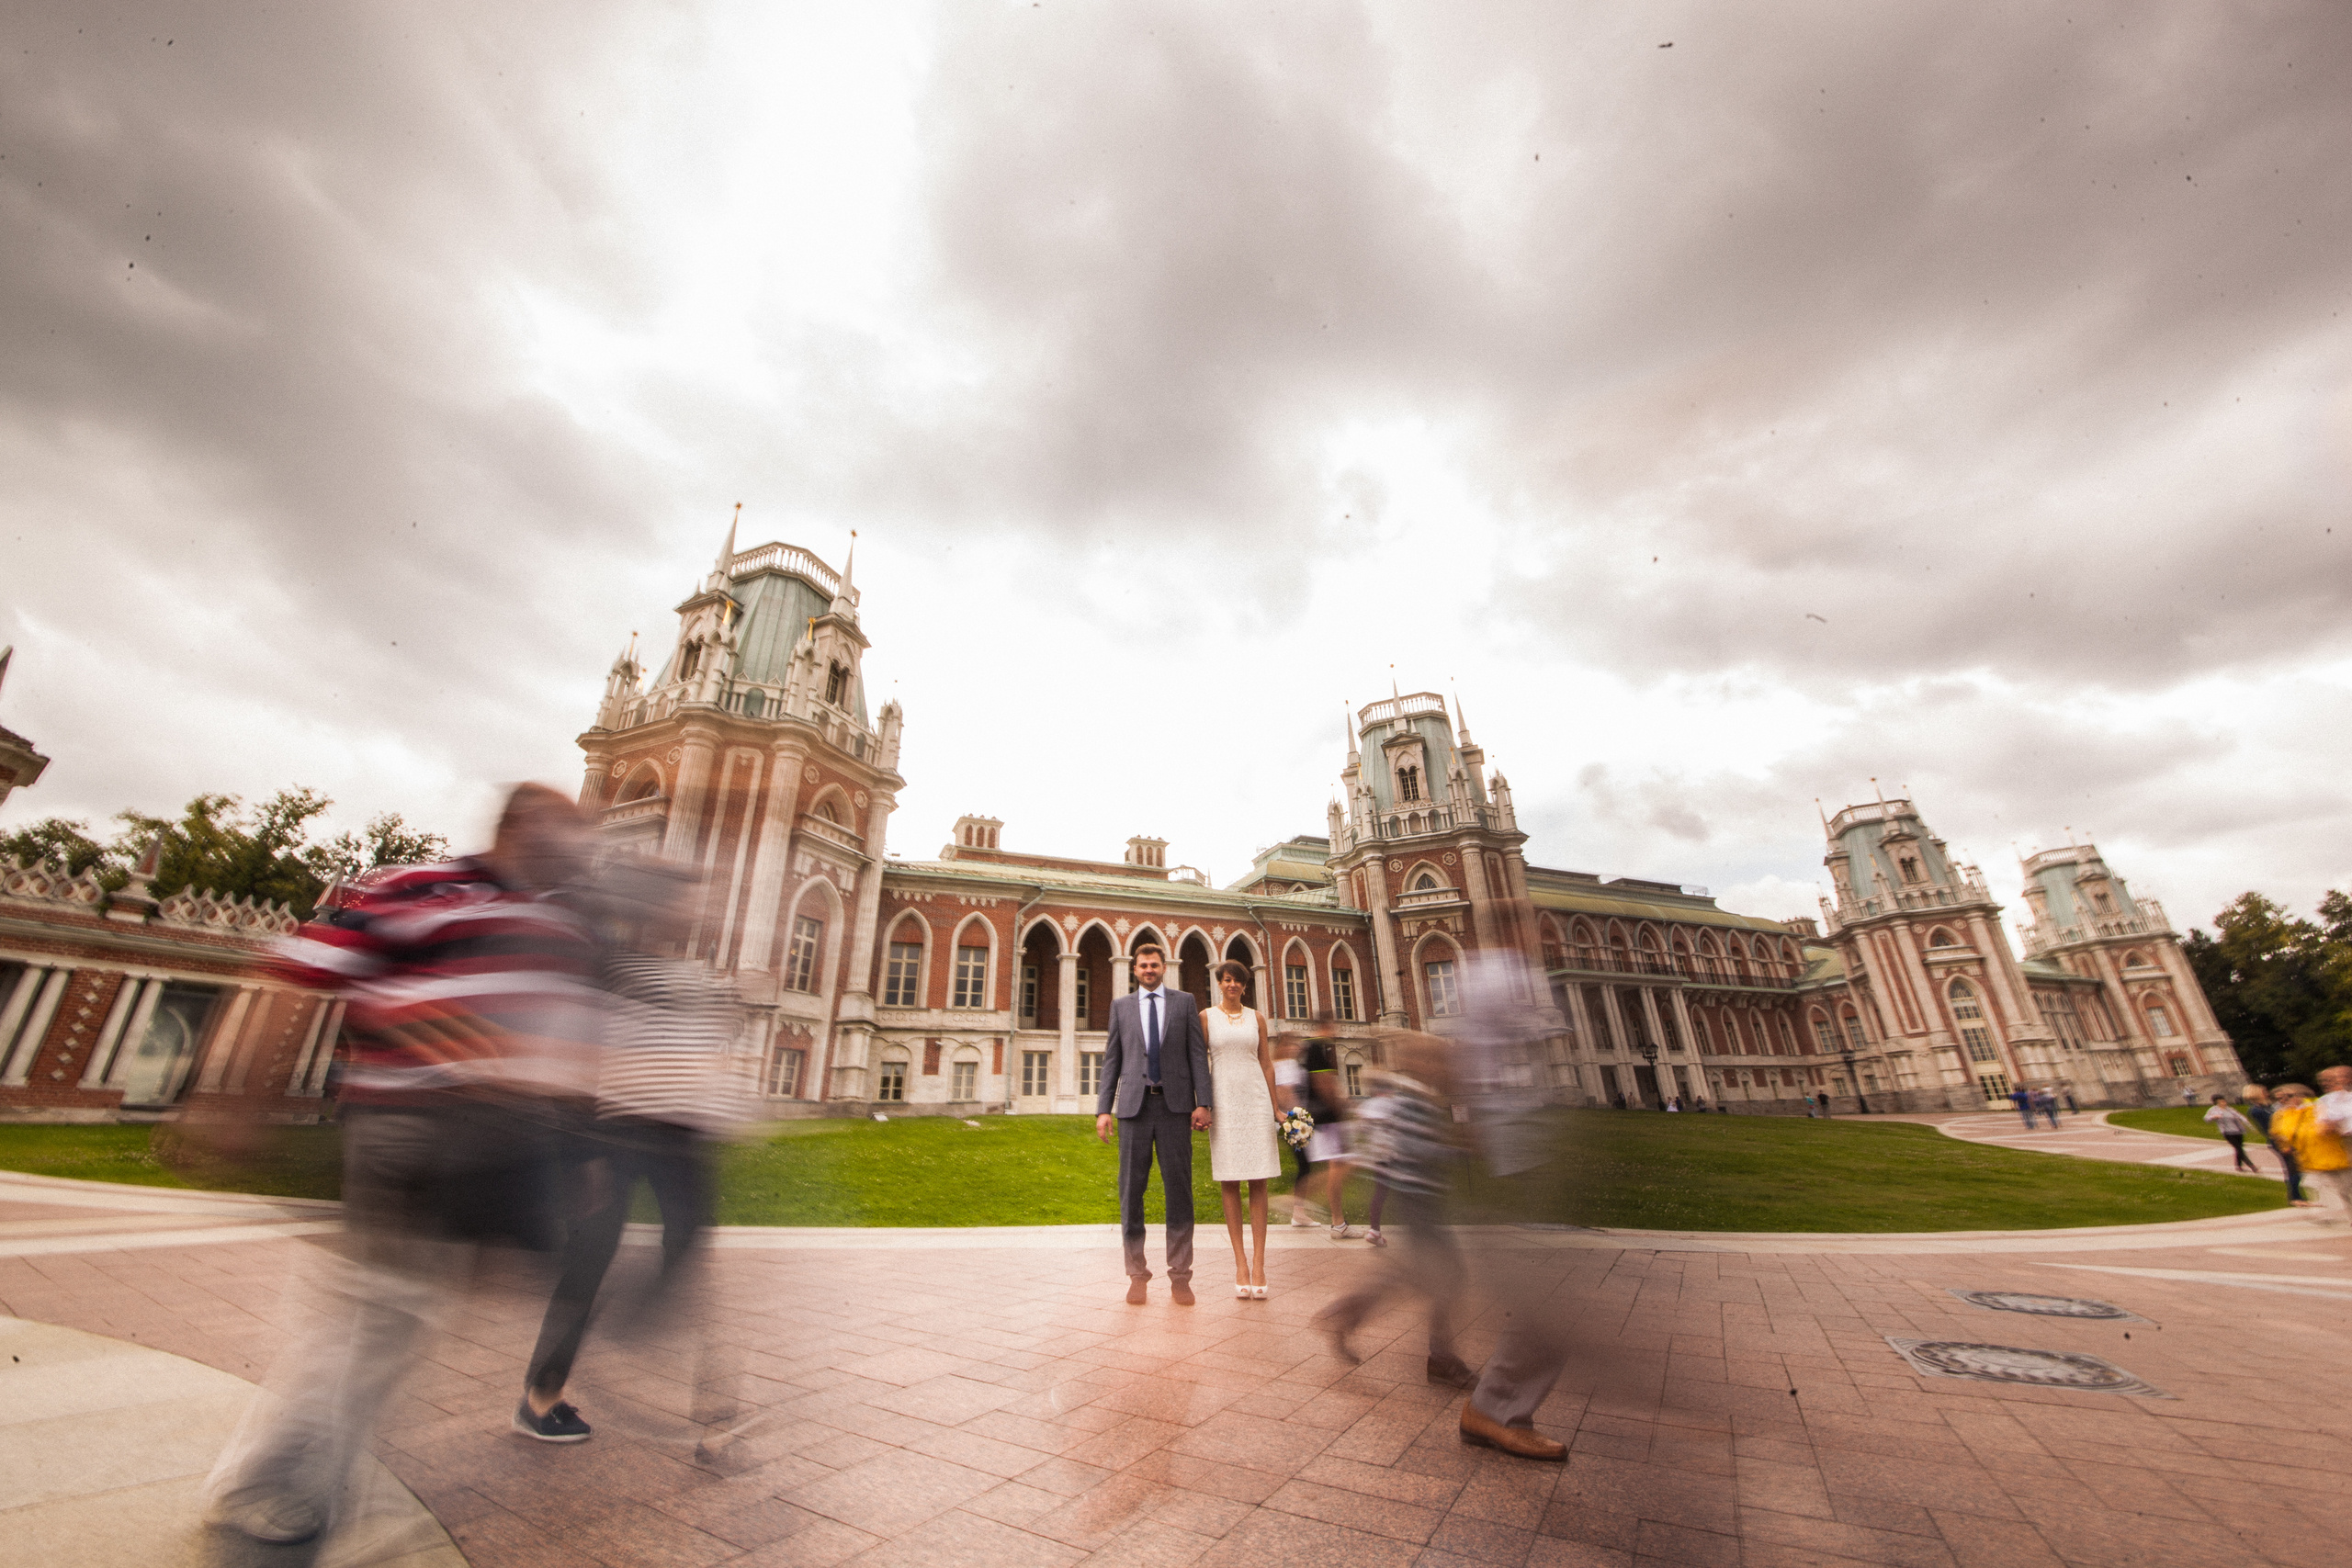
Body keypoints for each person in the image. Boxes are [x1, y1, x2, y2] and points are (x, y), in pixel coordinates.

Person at [205, 784, 605, 1545]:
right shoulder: (420, 887)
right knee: (372, 1311)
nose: (581, 835)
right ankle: (272, 1487)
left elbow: (563, 1044)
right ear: (519, 824)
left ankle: (305, 1482)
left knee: (400, 1316)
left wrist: (578, 1151)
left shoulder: (555, 923)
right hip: (408, 1129)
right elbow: (295, 971)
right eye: (565, 821)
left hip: (498, 1147)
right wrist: (236, 1097)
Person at [518, 860, 744, 1449]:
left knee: (691, 1237)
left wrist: (720, 1113)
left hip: (678, 1135)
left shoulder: (690, 977)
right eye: (687, 901)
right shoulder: (607, 972)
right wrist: (581, 1151)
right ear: (653, 908)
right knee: (589, 1260)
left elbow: (700, 1058)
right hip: (612, 1133)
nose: (700, 912)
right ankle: (543, 1395)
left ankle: (639, 1331)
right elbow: (574, 1059)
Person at [1315, 1032, 1476, 1390]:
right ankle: (1440, 1357)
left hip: (1425, 1200)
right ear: (1416, 1064)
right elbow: (1412, 1148)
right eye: (1433, 1060)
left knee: (1422, 1274)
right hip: (1417, 1200)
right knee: (1444, 1274)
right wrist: (1456, 1152)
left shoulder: (1423, 1099)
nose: (1441, 1067)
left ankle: (1351, 1312)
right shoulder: (1408, 1102)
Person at [1096, 942, 1212, 1304]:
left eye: (1154, 965)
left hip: (1175, 1109)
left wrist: (1203, 1102)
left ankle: (1180, 1276)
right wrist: (1103, 1109)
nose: (1149, 970)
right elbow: (1111, 1060)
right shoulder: (1121, 1007)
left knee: (1179, 1192)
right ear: (1135, 970)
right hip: (1134, 1110)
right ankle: (1136, 1274)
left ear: (1165, 967)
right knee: (1131, 1193)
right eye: (1143, 965)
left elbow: (1197, 1055)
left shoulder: (1184, 1002)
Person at [1204, 960, 1281, 1299]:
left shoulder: (1257, 1018)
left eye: (1238, 981)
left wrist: (1275, 1107)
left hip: (1255, 1101)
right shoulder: (1207, 1017)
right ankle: (1240, 1264)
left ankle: (1260, 1263)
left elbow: (1266, 1063)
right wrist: (1202, 1103)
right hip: (1224, 1103)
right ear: (1219, 983)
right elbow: (1198, 1061)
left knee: (1259, 1180)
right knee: (1230, 1180)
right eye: (1227, 980)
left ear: (1245, 987)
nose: (1232, 985)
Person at [1297, 1013, 1356, 1238]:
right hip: (1328, 1118)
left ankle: (1337, 1221)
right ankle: (1299, 1201)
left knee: (1339, 1166)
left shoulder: (1309, 1047)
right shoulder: (1318, 1048)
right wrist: (1341, 1108)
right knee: (1340, 1167)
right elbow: (1324, 1085)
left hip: (1321, 1117)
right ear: (1327, 1025)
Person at [2301, 1066, 2352, 1216]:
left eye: (2336, 1078)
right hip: (2345, 1141)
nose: (2328, 1083)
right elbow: (2322, 1127)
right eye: (2325, 1080)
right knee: (2346, 1185)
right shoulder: (2325, 1101)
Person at [2267, 1086, 2324, 1209]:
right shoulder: (2280, 1113)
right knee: (2297, 1173)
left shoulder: (2313, 1107)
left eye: (2287, 1097)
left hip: (2310, 1147)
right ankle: (2297, 1197)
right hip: (2292, 1148)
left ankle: (2301, 1197)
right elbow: (2275, 1132)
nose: (2283, 1100)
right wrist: (2285, 1146)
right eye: (2280, 1098)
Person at [2204, 1093, 2258, 1174]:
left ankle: (2238, 1166)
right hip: (2228, 1133)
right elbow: (2206, 1118)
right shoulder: (2213, 1110)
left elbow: (2241, 1117)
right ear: (2217, 1103)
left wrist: (2250, 1127)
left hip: (2238, 1131)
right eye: (2221, 1102)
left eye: (2224, 1101)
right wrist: (2214, 1117)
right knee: (2239, 1149)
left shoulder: (2230, 1109)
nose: (2224, 1103)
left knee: (2239, 1149)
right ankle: (2252, 1166)